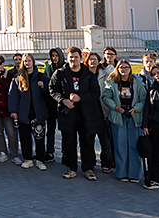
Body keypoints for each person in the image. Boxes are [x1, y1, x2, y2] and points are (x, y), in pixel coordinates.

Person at [49, 47, 102, 180]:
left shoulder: (88, 74)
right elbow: (52, 89)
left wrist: (81, 98)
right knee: (68, 142)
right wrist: (63, 100)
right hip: (68, 114)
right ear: (67, 58)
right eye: (71, 57)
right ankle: (71, 168)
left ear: (81, 58)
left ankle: (88, 169)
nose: (73, 59)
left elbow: (95, 93)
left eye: (76, 57)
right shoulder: (60, 73)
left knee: (87, 142)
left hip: (86, 114)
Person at [102, 58, 146, 182]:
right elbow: (105, 97)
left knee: (134, 146)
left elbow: (144, 99)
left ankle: (135, 174)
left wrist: (135, 108)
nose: (124, 70)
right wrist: (115, 107)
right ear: (117, 69)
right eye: (121, 67)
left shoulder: (138, 82)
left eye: (126, 67)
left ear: (130, 69)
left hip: (134, 116)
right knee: (120, 145)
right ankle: (122, 173)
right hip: (118, 116)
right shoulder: (111, 81)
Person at [8, 52, 50, 170]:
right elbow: (13, 95)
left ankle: (40, 160)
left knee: (39, 137)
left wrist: (44, 87)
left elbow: (50, 91)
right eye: (25, 61)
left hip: (38, 113)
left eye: (29, 60)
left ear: (33, 62)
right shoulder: (18, 78)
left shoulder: (41, 77)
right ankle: (28, 159)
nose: (27, 63)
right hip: (24, 114)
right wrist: (13, 110)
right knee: (25, 138)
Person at [86, 51, 114, 173]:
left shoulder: (103, 72)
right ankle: (91, 161)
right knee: (89, 139)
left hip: (102, 108)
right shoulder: (84, 73)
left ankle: (106, 162)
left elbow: (114, 73)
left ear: (99, 61)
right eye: (90, 59)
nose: (93, 61)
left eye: (95, 59)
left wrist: (106, 65)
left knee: (105, 139)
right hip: (89, 108)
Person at [43, 47, 66, 161]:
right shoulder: (49, 68)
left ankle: (65, 151)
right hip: (50, 102)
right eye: (53, 56)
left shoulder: (65, 68)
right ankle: (50, 151)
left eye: (57, 56)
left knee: (64, 129)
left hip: (62, 101)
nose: (55, 58)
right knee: (50, 129)